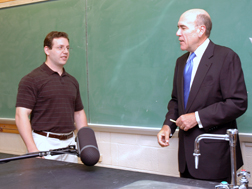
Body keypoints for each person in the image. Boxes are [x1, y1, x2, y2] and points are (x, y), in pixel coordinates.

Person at [157, 9, 247, 183]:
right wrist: (168, 126)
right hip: (186, 160)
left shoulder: (226, 57)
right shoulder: (181, 62)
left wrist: (197, 118)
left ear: (201, 30)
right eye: (178, 28)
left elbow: (238, 102)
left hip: (215, 159)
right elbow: (176, 100)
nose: (177, 33)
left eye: (183, 28)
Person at [15, 31, 88, 163]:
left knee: (72, 183)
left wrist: (87, 143)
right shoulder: (31, 79)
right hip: (44, 143)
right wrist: (32, 149)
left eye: (67, 48)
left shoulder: (72, 81)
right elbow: (21, 115)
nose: (65, 51)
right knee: (44, 184)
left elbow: (78, 113)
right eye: (60, 47)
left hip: (70, 144)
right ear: (47, 50)